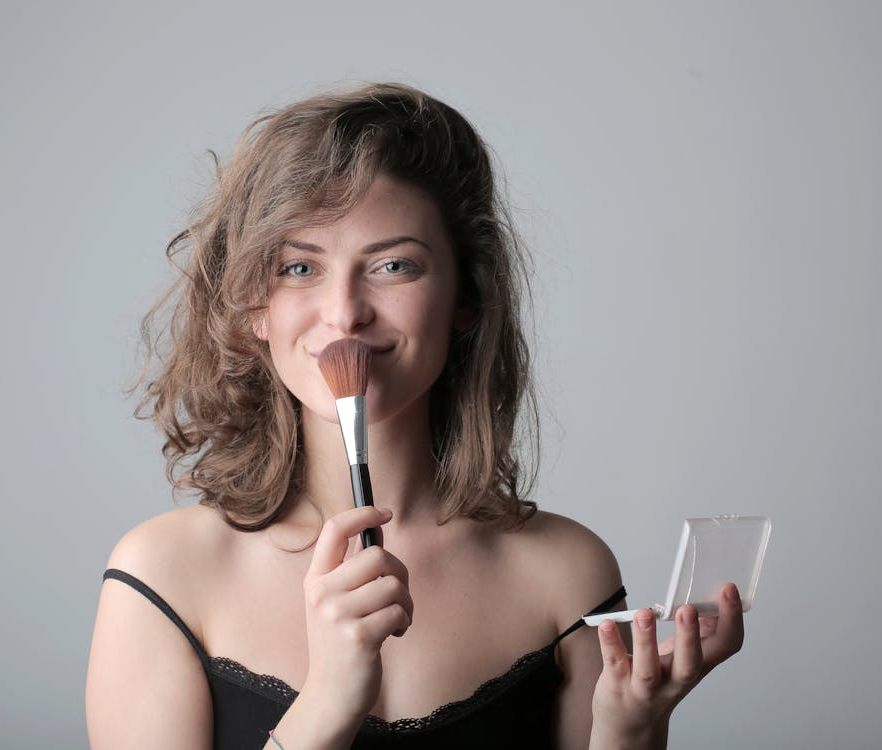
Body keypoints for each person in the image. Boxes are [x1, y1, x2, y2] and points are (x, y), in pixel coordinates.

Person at [85, 82, 744, 749]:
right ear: (254, 306)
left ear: (466, 296)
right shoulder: (164, 576)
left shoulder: (565, 572)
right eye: (298, 268)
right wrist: (326, 702)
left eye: (394, 265)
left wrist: (631, 731)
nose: (344, 313)